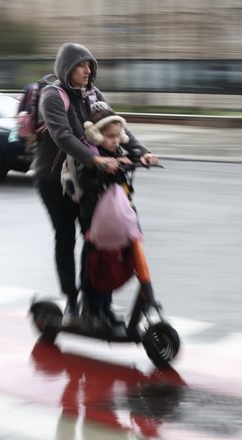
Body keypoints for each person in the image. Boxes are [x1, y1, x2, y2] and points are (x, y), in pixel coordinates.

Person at [32, 42, 154, 326]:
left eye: (90, 65)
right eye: (82, 65)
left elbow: (116, 127)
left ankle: (97, 305)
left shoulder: (93, 95)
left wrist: (141, 152)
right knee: (66, 237)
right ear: (67, 68)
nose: (88, 70)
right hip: (55, 181)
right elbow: (63, 135)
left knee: (98, 241)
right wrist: (96, 159)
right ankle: (72, 302)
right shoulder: (53, 96)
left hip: (88, 178)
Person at [76, 104, 159, 330]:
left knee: (112, 262)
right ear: (95, 135)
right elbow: (87, 181)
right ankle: (91, 310)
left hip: (116, 218)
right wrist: (104, 169)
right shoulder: (92, 156)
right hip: (95, 219)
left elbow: (132, 155)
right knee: (95, 262)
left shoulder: (116, 152)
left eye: (117, 136)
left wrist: (143, 157)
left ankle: (105, 308)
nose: (114, 140)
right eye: (109, 136)